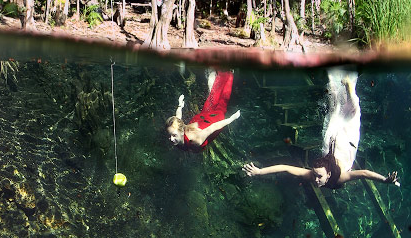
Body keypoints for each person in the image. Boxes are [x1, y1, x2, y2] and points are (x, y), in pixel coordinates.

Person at [243, 68, 400, 188]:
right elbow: (364, 173)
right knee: (348, 112)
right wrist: (385, 180)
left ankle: (340, 81)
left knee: (339, 108)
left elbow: (284, 168)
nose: (316, 179)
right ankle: (346, 83)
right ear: (328, 175)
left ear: (328, 174)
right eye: (317, 176)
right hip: (346, 146)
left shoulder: (325, 176)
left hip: (332, 144)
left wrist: (259, 171)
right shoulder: (336, 176)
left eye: (317, 176)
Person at [166, 69, 241, 149]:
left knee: (212, 99)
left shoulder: (192, 137)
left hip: (206, 120)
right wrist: (233, 118)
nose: (171, 139)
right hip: (210, 122)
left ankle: (221, 72)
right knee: (222, 102)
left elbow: (178, 117)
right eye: (170, 135)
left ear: (181, 130)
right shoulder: (193, 140)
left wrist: (180, 105)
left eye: (173, 135)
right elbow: (212, 127)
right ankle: (230, 73)